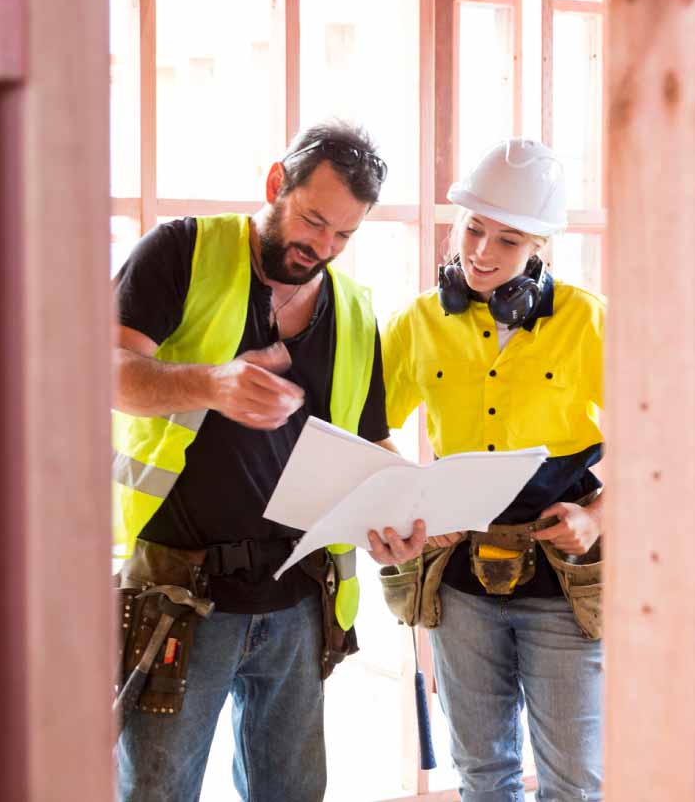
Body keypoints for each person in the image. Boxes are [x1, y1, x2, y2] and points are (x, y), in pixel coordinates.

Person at [111, 120, 416, 802]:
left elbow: (370, 442)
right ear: (276, 184)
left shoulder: (356, 311)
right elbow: (107, 370)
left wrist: (405, 505)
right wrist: (210, 384)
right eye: (313, 221)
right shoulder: (183, 251)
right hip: (178, 592)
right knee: (156, 793)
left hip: (299, 598)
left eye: (344, 235)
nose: (323, 248)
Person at [369, 139, 607, 802]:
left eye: (508, 240)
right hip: (464, 582)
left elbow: (665, 439)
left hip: (563, 581)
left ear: (541, 249)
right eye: (473, 229)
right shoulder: (419, 322)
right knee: (482, 774)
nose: (481, 252)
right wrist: (414, 500)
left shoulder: (586, 320)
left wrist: (596, 515)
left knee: (575, 780)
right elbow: (366, 432)